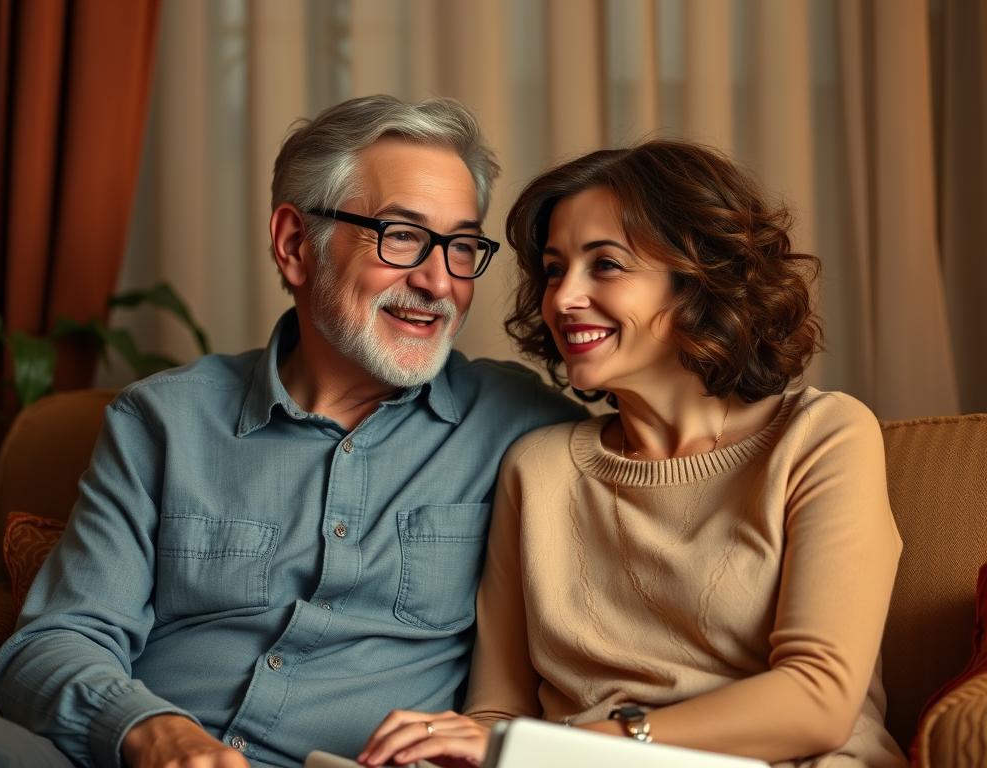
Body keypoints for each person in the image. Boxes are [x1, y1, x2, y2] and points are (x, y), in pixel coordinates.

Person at [0, 95, 585, 768]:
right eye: (401, 236)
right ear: (295, 245)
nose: (439, 281)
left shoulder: (521, 428)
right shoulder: (164, 420)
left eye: (461, 245)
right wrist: (152, 733)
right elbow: (56, 639)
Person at [359, 140, 907, 767]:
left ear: (700, 278)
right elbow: (499, 712)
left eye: (607, 266)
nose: (564, 298)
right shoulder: (537, 469)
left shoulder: (822, 436)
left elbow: (818, 701)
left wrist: (569, 747)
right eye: (555, 268)